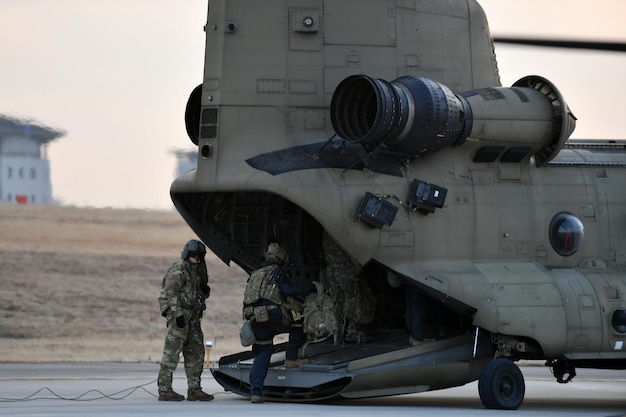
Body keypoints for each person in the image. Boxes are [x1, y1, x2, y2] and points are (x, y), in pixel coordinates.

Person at [242, 242, 313, 404]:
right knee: (298, 321)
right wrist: (306, 289)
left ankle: (256, 391)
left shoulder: (255, 274)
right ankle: (291, 358)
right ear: (282, 257)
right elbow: (287, 291)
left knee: (264, 352)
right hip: (274, 315)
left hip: (255, 318)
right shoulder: (278, 272)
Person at [157, 239, 214, 402]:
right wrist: (178, 314)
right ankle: (165, 389)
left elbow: (201, 291)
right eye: (194, 255)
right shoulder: (178, 270)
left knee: (196, 353)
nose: (196, 258)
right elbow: (170, 293)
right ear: (187, 255)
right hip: (179, 318)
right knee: (171, 354)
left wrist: (205, 290)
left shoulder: (200, 270)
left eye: (199, 256)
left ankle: (194, 389)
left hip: (194, 319)